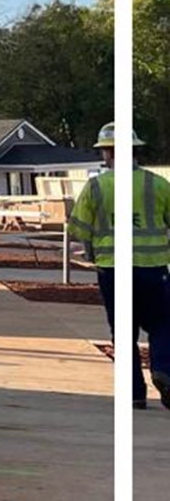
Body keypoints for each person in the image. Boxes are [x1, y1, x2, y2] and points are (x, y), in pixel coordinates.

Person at [69, 122, 170, 409]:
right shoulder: (157, 184)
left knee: (123, 333)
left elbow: (78, 230)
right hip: (153, 269)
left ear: (107, 154)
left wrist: (92, 252)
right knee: (163, 325)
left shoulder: (96, 187)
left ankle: (134, 394)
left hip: (112, 270)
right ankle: (164, 369)